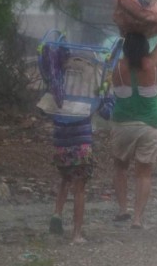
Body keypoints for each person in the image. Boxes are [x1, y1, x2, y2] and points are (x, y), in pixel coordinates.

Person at [111, 21, 157, 229]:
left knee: (120, 168)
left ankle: (122, 209)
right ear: (147, 48)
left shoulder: (117, 68)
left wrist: (124, 30)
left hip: (123, 125)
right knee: (143, 173)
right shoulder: (152, 65)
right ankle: (137, 218)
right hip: (150, 126)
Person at [49, 98, 114, 243]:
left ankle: (57, 215)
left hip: (61, 140)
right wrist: (109, 98)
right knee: (79, 188)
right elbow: (106, 113)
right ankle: (76, 234)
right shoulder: (92, 83)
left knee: (66, 177)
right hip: (81, 140)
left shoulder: (63, 79)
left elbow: (47, 106)